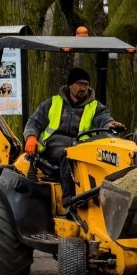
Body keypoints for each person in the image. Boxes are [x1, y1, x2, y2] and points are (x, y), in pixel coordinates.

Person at [23, 67, 124, 206]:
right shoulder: (52, 103)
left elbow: (104, 119)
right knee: (68, 154)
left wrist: (111, 124)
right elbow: (34, 122)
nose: (83, 88)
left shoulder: (95, 107)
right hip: (53, 147)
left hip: (83, 148)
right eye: (80, 84)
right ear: (70, 85)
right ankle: (70, 201)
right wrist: (31, 137)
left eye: (86, 84)